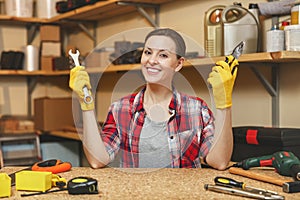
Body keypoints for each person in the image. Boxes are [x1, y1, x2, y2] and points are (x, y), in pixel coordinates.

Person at [69, 28, 238, 170]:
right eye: (148, 52)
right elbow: (97, 160)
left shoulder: (196, 109)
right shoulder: (121, 108)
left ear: (178, 64)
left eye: (163, 55)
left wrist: (224, 105)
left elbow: (219, 162)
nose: (151, 60)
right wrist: (86, 104)